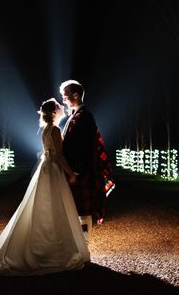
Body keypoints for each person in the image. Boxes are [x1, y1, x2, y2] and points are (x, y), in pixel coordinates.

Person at [0, 99, 90, 276]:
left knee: (41, 206)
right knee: (55, 206)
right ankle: (53, 250)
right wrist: (71, 173)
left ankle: (41, 245)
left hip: (45, 169)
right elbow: (58, 156)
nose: (61, 108)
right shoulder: (56, 130)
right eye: (58, 107)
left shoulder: (45, 129)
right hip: (53, 170)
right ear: (53, 113)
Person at [60, 80, 114, 242]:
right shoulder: (76, 115)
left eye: (65, 96)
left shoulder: (85, 117)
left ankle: (85, 245)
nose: (63, 100)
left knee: (83, 210)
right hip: (76, 169)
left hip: (81, 170)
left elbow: (85, 147)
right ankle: (80, 244)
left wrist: (76, 171)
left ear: (75, 95)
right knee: (76, 209)